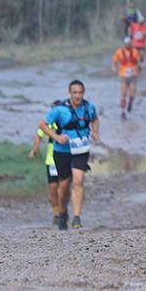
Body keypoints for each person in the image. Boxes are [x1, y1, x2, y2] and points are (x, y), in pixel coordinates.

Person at [38, 80, 99, 230]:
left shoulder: (89, 107)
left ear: (83, 93)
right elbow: (42, 125)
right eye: (75, 93)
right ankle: (63, 212)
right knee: (64, 185)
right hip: (62, 151)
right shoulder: (59, 110)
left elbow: (95, 119)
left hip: (81, 150)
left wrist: (95, 132)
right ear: (69, 93)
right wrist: (57, 137)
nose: (78, 96)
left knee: (78, 181)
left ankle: (77, 217)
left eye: (80, 92)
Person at [29, 100, 63, 227]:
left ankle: (63, 212)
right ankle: (56, 214)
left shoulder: (67, 123)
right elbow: (39, 136)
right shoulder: (48, 124)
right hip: (51, 161)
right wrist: (35, 150)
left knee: (63, 188)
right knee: (53, 189)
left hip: (65, 160)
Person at [112, 36, 143, 120]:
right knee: (124, 94)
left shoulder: (135, 52)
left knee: (132, 94)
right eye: (126, 43)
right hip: (123, 76)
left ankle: (130, 103)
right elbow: (114, 62)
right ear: (124, 44)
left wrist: (141, 67)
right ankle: (123, 111)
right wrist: (114, 67)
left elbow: (138, 62)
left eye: (129, 43)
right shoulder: (119, 52)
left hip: (133, 75)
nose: (128, 45)